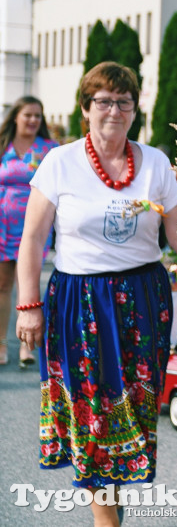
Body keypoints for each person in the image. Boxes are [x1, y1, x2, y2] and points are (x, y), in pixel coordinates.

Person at [15, 62, 177, 527]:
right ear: (86, 108)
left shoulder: (156, 163)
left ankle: (112, 508)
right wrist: (28, 306)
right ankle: (107, 520)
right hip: (79, 301)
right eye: (103, 101)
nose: (114, 110)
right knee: (92, 412)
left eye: (124, 101)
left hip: (142, 300)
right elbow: (32, 240)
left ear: (134, 108)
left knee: (133, 410)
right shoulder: (60, 162)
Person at [0, 96, 59, 368]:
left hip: (34, 227)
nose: (34, 120)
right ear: (16, 117)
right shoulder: (3, 146)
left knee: (29, 283)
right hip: (2, 226)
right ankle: (1, 344)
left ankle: (27, 346)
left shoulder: (49, 150)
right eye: (28, 115)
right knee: (3, 286)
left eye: (38, 115)